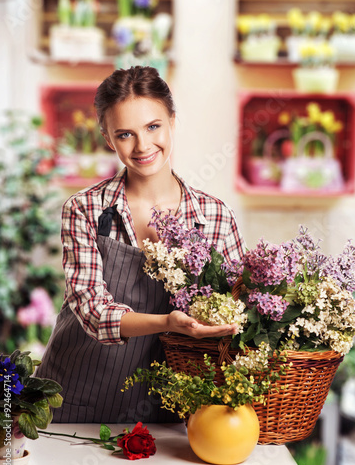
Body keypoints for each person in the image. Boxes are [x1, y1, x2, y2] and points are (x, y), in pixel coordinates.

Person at [36, 66, 246, 424]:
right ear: (107, 138)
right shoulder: (85, 209)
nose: (143, 146)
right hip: (74, 401)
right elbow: (93, 312)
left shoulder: (214, 216)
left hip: (167, 408)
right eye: (125, 134)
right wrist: (169, 321)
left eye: (153, 127)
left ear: (172, 121)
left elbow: (236, 309)